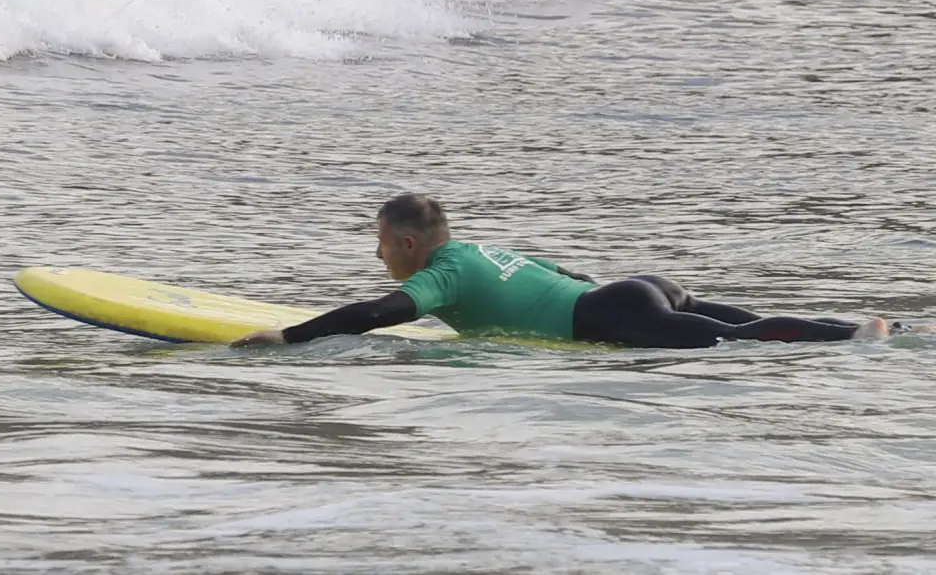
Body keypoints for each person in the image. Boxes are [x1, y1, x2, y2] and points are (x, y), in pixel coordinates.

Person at [234, 193, 891, 350]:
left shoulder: (440, 275)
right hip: (636, 289)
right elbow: (563, 270)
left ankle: (856, 337)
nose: (378, 258)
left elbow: (377, 314)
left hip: (610, 311)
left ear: (409, 244)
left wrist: (289, 337)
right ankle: (863, 330)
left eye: (381, 246)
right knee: (747, 325)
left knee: (740, 342)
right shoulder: (481, 251)